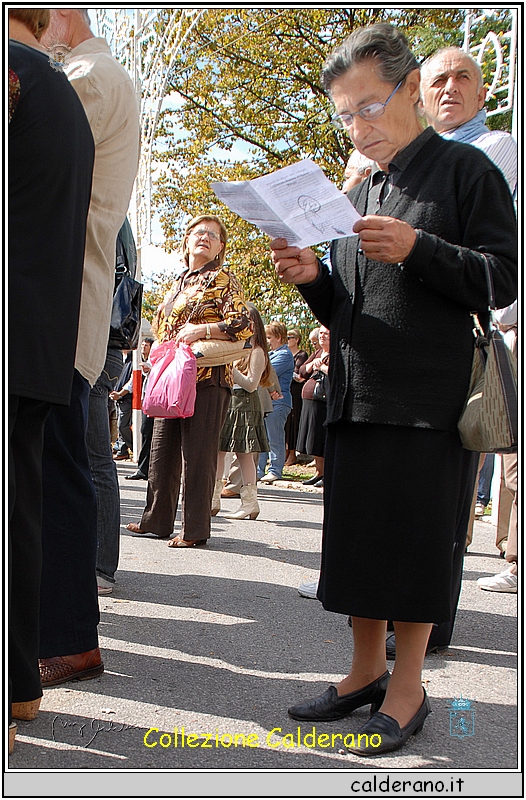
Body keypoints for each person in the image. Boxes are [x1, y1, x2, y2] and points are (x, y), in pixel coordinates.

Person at [271, 22, 516, 756]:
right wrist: (315, 280)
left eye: (370, 106)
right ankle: (361, 673)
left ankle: (409, 686)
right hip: (356, 388)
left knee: (411, 545)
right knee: (358, 544)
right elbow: (351, 299)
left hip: (427, 395)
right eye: (345, 113)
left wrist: (420, 248)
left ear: (411, 89)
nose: (359, 126)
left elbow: (501, 278)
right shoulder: (359, 186)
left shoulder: (467, 172)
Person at [37, 8, 140, 688]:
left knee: (54, 470)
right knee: (60, 466)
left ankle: (69, 634)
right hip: (69, 299)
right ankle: (68, 633)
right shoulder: (100, 74)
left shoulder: (82, 76)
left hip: (57, 300)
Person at [8, 8, 94, 752]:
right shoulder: (60, 89)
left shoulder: (18, 79)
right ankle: (18, 687)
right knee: (18, 515)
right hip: (36, 339)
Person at [126, 215, 252, 547]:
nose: (204, 238)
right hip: (171, 379)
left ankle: (195, 530)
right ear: (186, 242)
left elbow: (244, 325)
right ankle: (156, 520)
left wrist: (204, 330)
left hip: (208, 378)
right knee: (161, 451)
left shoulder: (224, 280)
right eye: (198, 232)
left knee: (198, 456)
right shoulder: (178, 282)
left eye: (213, 235)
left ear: (221, 246)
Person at [213, 303, 272, 520]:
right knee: (220, 450)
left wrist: (230, 367)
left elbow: (251, 384)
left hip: (245, 404)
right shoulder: (239, 348)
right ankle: (213, 499)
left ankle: (250, 503)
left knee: (244, 454)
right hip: (230, 402)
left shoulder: (257, 351)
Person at [258, 322, 294, 483]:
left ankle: (275, 469)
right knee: (263, 437)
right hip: (267, 402)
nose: (267, 341)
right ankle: (259, 470)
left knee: (275, 437)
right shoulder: (272, 354)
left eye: (269, 337)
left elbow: (266, 373)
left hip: (279, 402)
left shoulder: (284, 355)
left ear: (279, 337)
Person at [298, 326, 330, 488]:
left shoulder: (336, 353)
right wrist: (311, 366)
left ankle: (326, 473)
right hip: (310, 401)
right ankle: (319, 472)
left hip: (324, 403)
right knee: (313, 439)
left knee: (321, 438)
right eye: (321, 333)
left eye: (326, 334)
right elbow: (302, 370)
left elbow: (338, 373)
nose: (322, 337)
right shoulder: (318, 352)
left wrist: (322, 367)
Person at [126, 337, 155, 480]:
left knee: (150, 433)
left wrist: (151, 369)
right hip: (149, 398)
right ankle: (144, 468)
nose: (143, 347)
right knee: (145, 432)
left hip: (158, 399)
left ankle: (147, 469)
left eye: (146, 345)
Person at [284, 329, 308, 467]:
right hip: (286, 390)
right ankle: (286, 452)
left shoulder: (301, 354)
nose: (287, 340)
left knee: (293, 422)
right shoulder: (285, 354)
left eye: (290, 337)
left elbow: (299, 375)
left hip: (296, 392)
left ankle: (293, 454)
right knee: (286, 424)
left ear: (297, 339)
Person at [111, 351, 134, 460]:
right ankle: (122, 450)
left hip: (126, 398)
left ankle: (136, 447)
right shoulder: (123, 359)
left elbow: (132, 382)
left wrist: (120, 394)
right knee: (119, 427)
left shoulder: (134, 359)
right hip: (117, 397)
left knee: (122, 425)